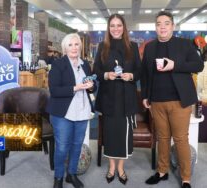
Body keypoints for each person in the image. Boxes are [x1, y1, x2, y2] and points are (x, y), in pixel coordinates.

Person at [141, 11, 204, 188]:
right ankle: (162, 171)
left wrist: (175, 65)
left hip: (179, 101)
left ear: (173, 26)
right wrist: (145, 95)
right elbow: (145, 74)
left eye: (166, 23)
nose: (162, 26)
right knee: (162, 137)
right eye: (159, 23)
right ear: (155, 27)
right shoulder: (150, 47)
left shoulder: (184, 44)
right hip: (157, 102)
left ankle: (186, 178)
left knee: (180, 139)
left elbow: (198, 65)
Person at [93, 14, 141, 185]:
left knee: (124, 136)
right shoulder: (102, 46)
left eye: (118, 25)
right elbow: (96, 70)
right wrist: (106, 74)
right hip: (108, 98)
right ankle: (111, 167)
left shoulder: (133, 46)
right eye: (112, 25)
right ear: (108, 28)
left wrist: (131, 76)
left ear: (124, 27)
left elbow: (139, 71)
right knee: (111, 135)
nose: (115, 28)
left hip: (126, 98)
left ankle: (121, 168)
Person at [46, 33, 96, 188]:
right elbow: (54, 90)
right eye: (70, 45)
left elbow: (92, 86)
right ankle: (59, 177)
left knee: (77, 145)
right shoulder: (58, 64)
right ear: (64, 48)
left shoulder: (85, 64)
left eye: (76, 45)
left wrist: (91, 87)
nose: (74, 48)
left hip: (82, 110)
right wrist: (76, 88)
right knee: (62, 147)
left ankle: (71, 174)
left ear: (80, 47)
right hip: (63, 113)